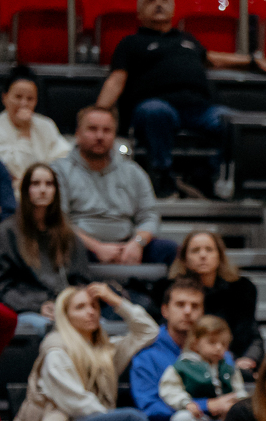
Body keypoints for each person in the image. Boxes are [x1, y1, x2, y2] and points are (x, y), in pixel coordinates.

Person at [95, 0, 266, 198]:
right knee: (155, 111)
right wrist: (99, 112)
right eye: (151, 0)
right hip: (157, 106)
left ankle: (207, 176)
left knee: (235, 123)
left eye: (164, 0)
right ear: (139, 13)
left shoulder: (187, 40)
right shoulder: (131, 43)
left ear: (173, 10)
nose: (158, 4)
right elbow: (116, 79)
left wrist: (252, 61)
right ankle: (162, 176)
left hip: (199, 109)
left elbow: (211, 59)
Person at [7, 282, 163, 421]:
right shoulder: (56, 350)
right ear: (65, 316)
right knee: (131, 418)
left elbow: (149, 331)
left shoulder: (105, 352)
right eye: (80, 307)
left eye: (94, 306)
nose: (91, 312)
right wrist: (111, 420)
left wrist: (115, 301)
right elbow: (77, 402)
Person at [52, 106, 172, 265]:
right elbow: (58, 220)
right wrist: (97, 248)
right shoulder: (59, 171)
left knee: (170, 250)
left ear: (115, 135)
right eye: (92, 129)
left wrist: (137, 243)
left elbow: (149, 216)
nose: (100, 136)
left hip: (128, 245)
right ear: (78, 134)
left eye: (107, 130)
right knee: (59, 246)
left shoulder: (133, 172)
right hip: (80, 246)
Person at [132, 277, 229, 421]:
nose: (187, 311)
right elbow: (150, 409)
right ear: (165, 310)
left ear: (203, 312)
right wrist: (205, 406)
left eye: (195, 306)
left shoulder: (220, 354)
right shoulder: (147, 357)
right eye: (180, 304)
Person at [0, 163, 91, 332]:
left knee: (98, 327)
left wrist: (69, 305)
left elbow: (81, 280)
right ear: (25, 190)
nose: (43, 190)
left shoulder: (67, 233)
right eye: (35, 184)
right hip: (27, 309)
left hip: (65, 308)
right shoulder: (7, 232)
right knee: (52, 329)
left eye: (49, 184)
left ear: (56, 190)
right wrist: (37, 306)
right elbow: (3, 286)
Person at [163, 230, 264, 372]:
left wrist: (249, 359)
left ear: (219, 256)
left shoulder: (241, 290)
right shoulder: (174, 292)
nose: (203, 255)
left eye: (209, 250)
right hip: (185, 360)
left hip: (232, 362)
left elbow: (253, 336)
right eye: (195, 250)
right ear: (185, 258)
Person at [158, 314, 248, 421]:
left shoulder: (229, 368)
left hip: (225, 416)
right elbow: (169, 389)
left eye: (223, 344)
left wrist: (236, 405)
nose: (219, 348)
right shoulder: (183, 365)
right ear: (195, 343)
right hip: (196, 416)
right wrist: (186, 403)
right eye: (212, 343)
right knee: (181, 419)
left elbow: (239, 391)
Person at [0, 67, 70, 194]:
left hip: (44, 193)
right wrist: (24, 131)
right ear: (5, 97)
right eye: (18, 97)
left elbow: (64, 160)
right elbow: (17, 170)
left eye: (30, 98)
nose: (24, 104)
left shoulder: (46, 125)